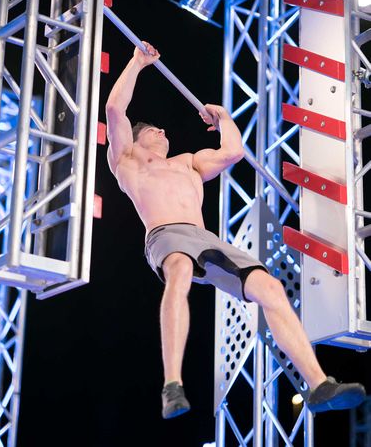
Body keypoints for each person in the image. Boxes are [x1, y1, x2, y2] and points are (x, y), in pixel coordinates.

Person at [105, 41, 366, 419]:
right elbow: (115, 108)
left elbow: (233, 153)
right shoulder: (127, 161)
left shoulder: (189, 162)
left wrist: (223, 119)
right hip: (166, 235)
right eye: (154, 130)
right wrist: (137, 63)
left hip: (206, 239)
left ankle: (319, 384)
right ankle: (173, 384)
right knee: (178, 272)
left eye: (164, 129)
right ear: (138, 136)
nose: (163, 130)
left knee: (271, 288)